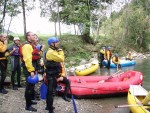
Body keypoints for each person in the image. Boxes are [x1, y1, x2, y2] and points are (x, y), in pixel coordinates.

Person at [45, 37, 70, 113]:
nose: (58, 43)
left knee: (51, 92)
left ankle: (48, 106)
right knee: (51, 92)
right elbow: (61, 59)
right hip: (51, 76)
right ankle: (50, 110)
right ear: (52, 44)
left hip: (54, 74)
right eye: (56, 42)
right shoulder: (51, 52)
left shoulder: (53, 50)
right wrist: (61, 51)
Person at [21, 32, 39, 112]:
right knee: (28, 87)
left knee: (31, 86)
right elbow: (27, 59)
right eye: (32, 35)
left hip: (32, 67)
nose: (34, 36)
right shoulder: (27, 46)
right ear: (28, 37)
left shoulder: (31, 45)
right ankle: (28, 106)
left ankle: (30, 101)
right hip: (29, 68)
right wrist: (31, 70)